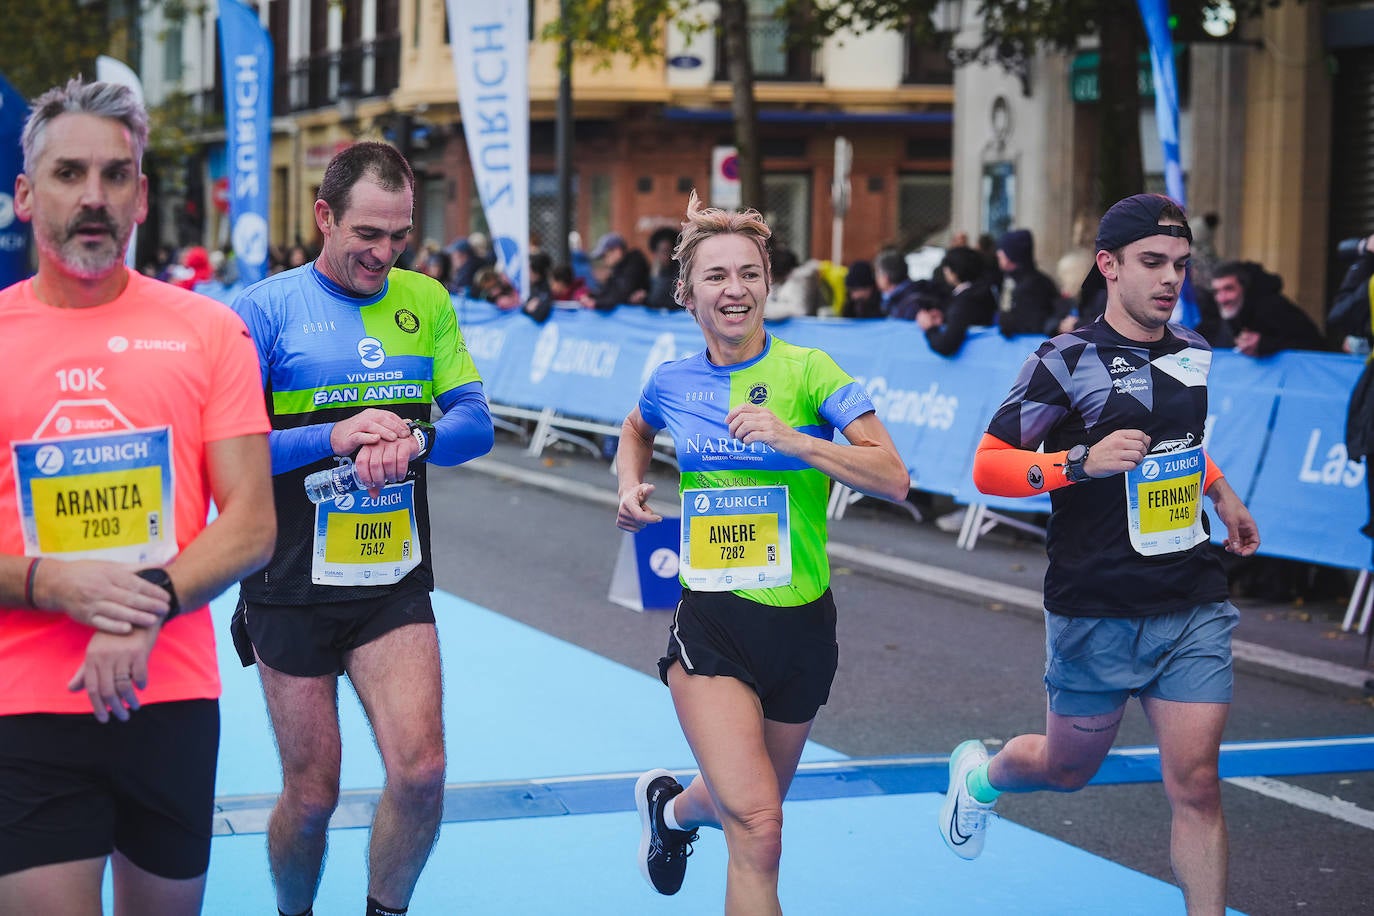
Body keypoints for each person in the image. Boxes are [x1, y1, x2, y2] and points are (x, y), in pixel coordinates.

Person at [940, 194, 1260, 916]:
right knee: (1066, 768)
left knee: (1198, 784)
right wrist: (1078, 462)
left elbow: (1178, 443)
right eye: (1152, 263)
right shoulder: (1065, 359)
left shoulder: (1193, 352)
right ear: (1109, 266)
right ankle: (982, 779)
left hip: (1190, 597)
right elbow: (988, 468)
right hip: (1096, 603)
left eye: (1180, 265)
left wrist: (1222, 492)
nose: (1170, 279)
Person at [0, 77, 275, 915]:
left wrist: (146, 603)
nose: (93, 197)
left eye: (115, 175)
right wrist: (51, 582)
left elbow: (253, 522)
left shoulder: (206, 330)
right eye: (68, 174)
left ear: (142, 196)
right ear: (23, 195)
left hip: (171, 697)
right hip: (24, 706)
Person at [616, 191, 909, 911]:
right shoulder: (673, 381)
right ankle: (686, 812)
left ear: (768, 284)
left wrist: (795, 439)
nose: (735, 289)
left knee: (740, 803)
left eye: (749, 273)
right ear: (688, 294)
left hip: (804, 622)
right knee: (761, 825)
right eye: (716, 276)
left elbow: (895, 476)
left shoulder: (811, 372)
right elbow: (635, 428)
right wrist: (629, 487)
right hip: (714, 620)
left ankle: (671, 811)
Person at [228, 141, 496, 916]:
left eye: (400, 235)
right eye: (368, 235)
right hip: (287, 581)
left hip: (392, 578)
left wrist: (420, 441)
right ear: (324, 217)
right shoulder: (265, 308)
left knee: (422, 771)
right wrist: (331, 436)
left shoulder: (427, 301)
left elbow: (477, 422)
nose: (385, 253)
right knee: (311, 798)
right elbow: (233, 450)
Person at [1202, 260, 1326, 356]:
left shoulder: (1272, 307)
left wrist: (1265, 344)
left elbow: (1312, 344)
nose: (1222, 298)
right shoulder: (1225, 311)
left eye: (1229, 289)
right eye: (1216, 292)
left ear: (1244, 287)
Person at [917, 245, 997, 356]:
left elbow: (946, 344)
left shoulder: (964, 301)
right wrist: (945, 316)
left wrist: (930, 328)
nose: (945, 271)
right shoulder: (985, 292)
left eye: (947, 268)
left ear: (954, 273)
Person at [993, 228, 1057, 338]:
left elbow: (1032, 322)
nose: (998, 254)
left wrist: (1006, 323)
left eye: (1002, 251)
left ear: (1011, 255)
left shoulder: (1032, 285)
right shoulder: (1011, 279)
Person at [580, 231, 651, 310]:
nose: (604, 261)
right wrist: (590, 296)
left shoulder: (634, 266)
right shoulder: (619, 268)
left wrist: (596, 303)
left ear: (617, 251)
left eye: (605, 256)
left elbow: (620, 294)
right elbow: (609, 291)